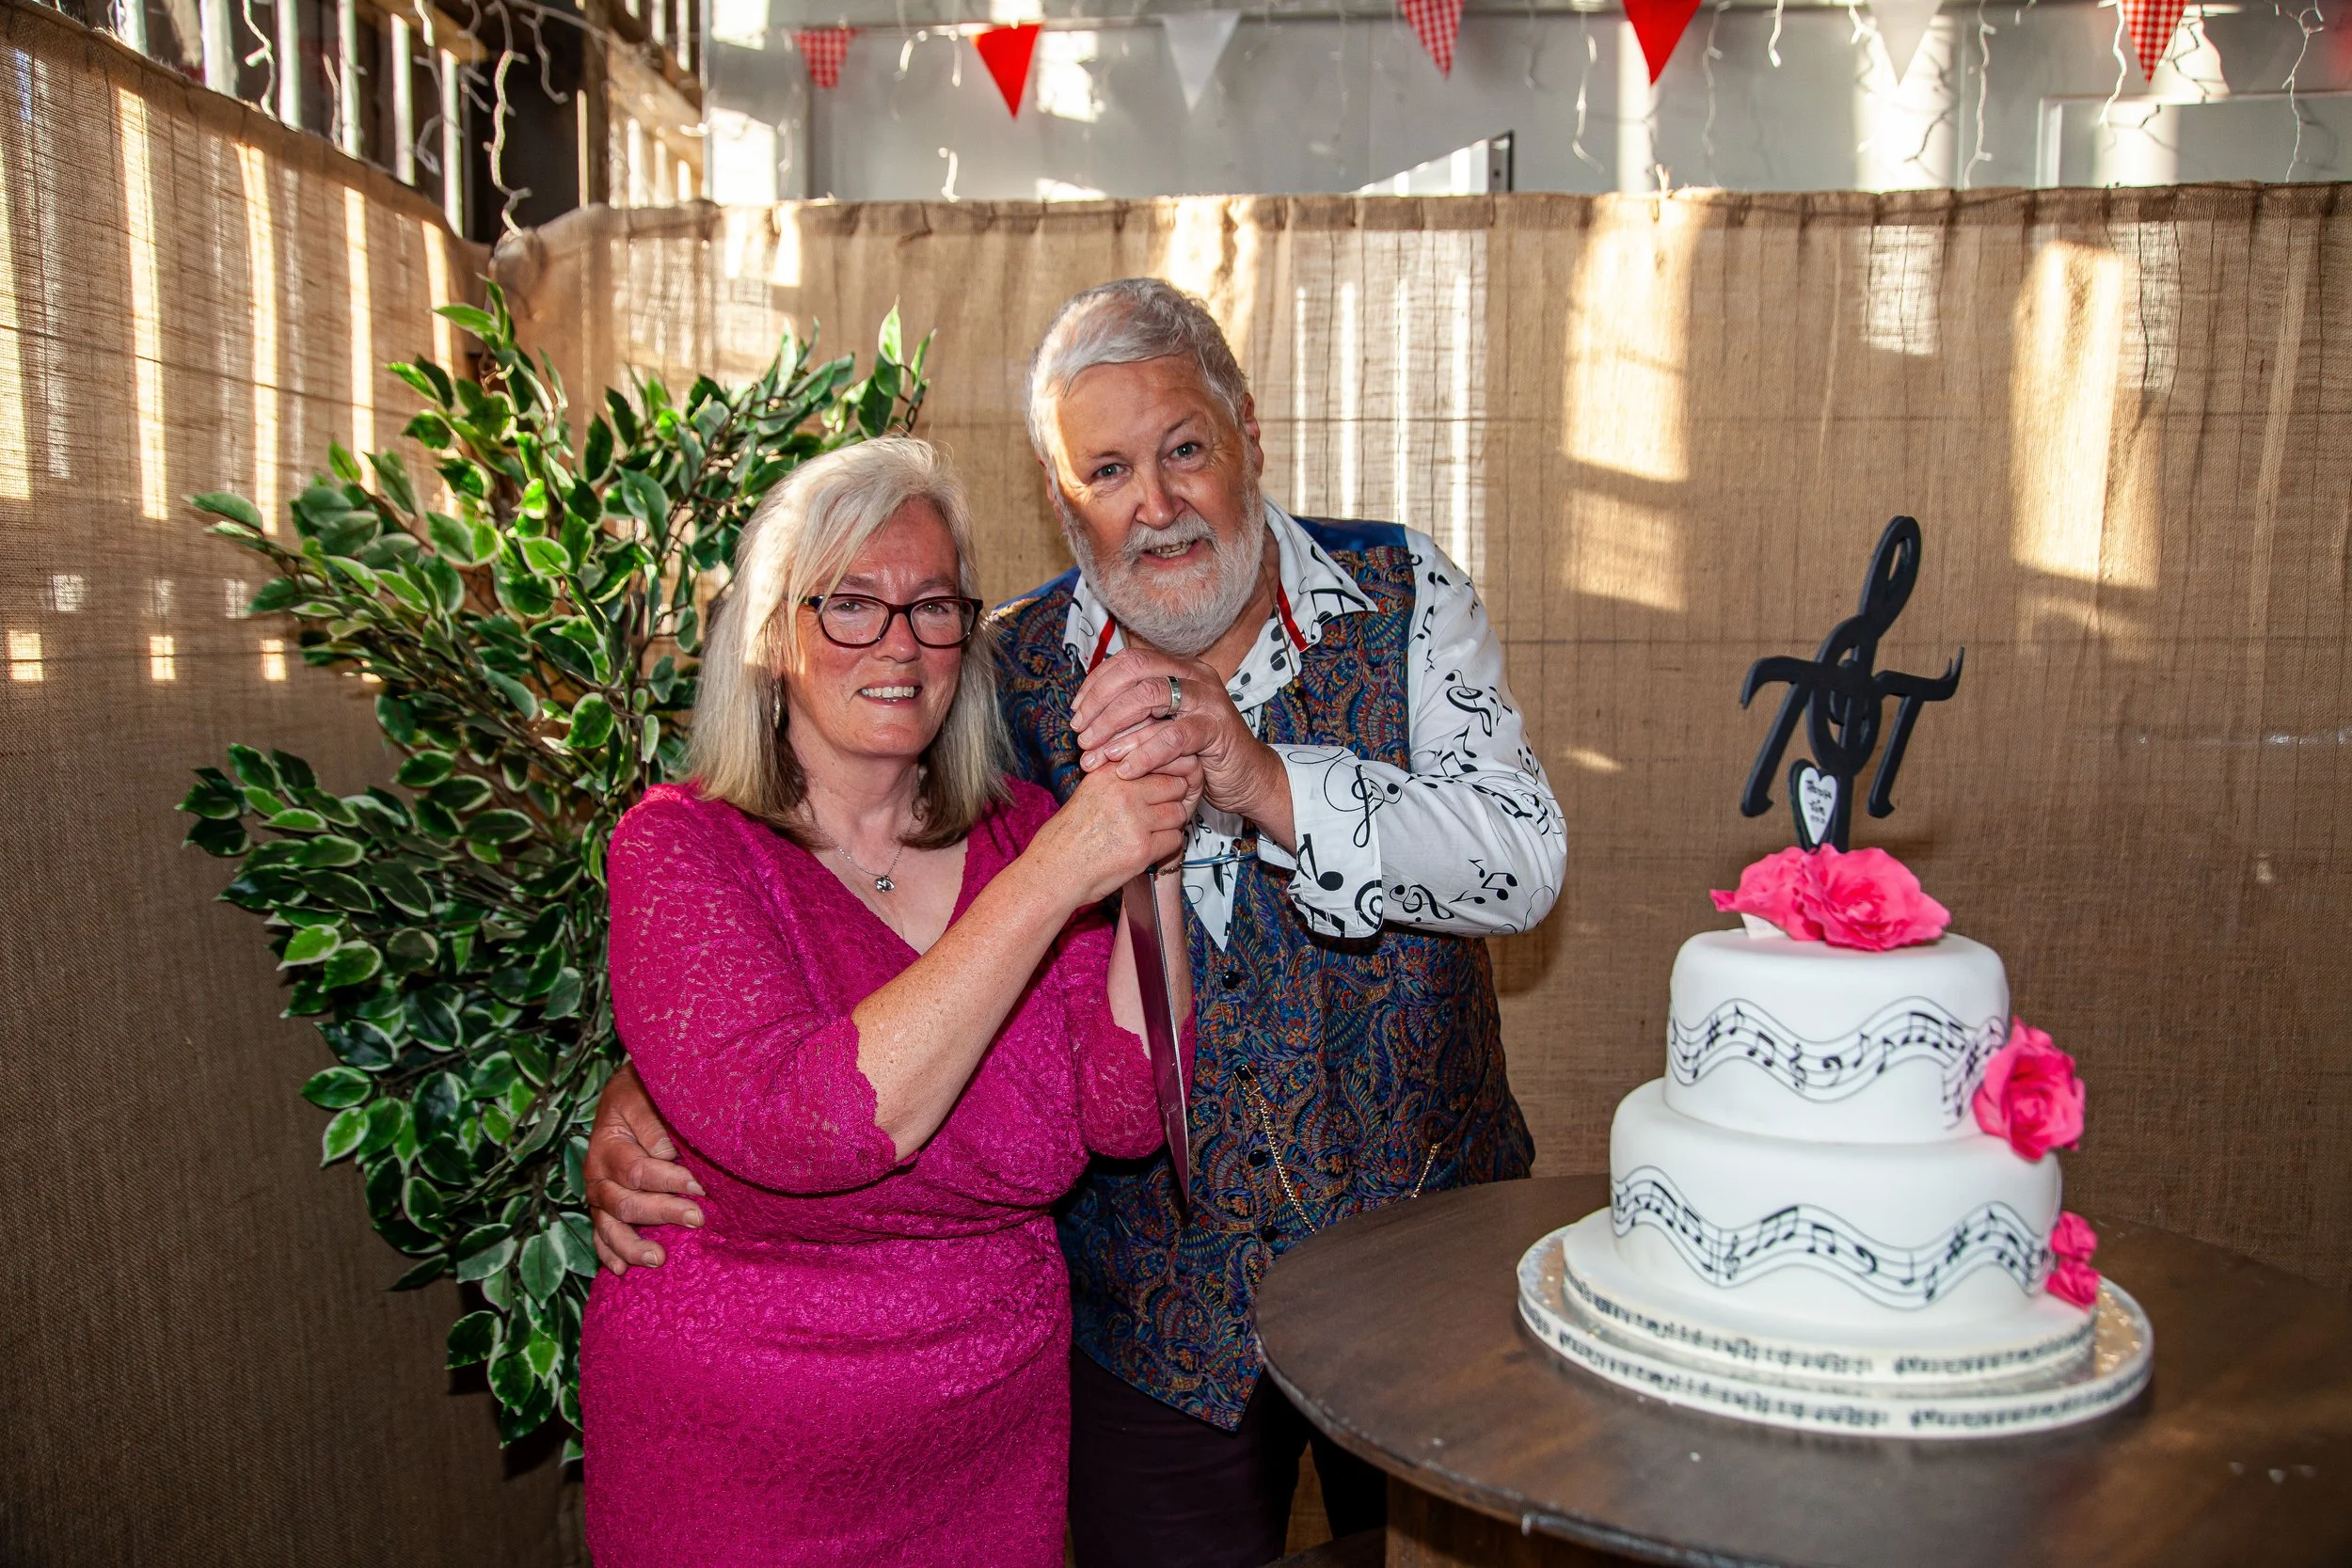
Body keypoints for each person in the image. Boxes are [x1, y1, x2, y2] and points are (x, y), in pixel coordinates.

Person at [588, 281, 1566, 1567]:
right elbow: (819, 887)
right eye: (1106, 469)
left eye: (1182, 448)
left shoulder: (1404, 591)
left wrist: (1267, 781)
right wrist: (659, 1073)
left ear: (1249, 435)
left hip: (1420, 1264)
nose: (1153, 503)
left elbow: (1526, 861)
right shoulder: (993, 668)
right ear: (1063, 499)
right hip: (1150, 1315)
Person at [581, 436, 1195, 1568]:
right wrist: (1060, 871)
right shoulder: (681, 847)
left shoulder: (1011, 824)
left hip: (988, 1446)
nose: (902, 643)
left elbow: (1120, 1110)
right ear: (771, 635)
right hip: (739, 1461)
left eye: (933, 606)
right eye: (851, 604)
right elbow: (822, 1122)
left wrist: (1153, 849)